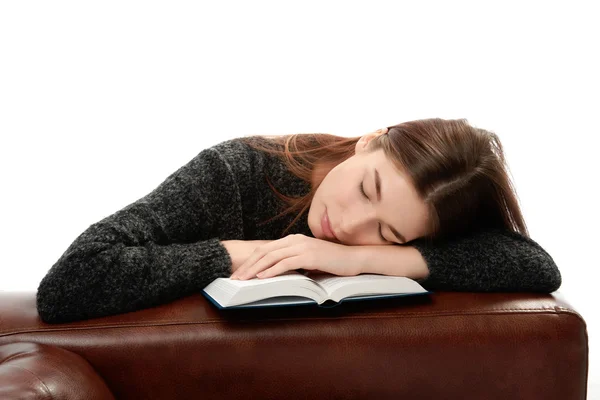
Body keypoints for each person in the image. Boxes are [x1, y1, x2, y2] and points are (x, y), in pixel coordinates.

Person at [36, 118, 562, 324]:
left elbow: (535, 266)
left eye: (387, 231)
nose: (350, 222)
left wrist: (352, 258)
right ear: (370, 140)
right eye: (365, 188)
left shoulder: (375, 236)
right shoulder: (234, 171)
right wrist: (238, 253)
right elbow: (71, 282)